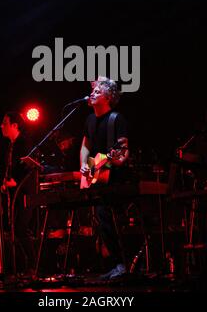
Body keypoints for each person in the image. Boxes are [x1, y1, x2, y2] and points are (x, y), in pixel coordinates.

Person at [80, 77, 129, 279]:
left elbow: (123, 153)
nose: (92, 94)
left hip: (115, 178)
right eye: (92, 91)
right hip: (96, 179)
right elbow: (85, 146)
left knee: (109, 219)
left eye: (98, 92)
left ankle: (121, 264)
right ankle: (114, 265)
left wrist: (109, 160)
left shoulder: (116, 119)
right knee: (99, 221)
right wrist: (84, 164)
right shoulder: (90, 120)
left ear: (108, 97)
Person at [0, 111, 37, 277]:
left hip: (25, 192)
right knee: (15, 228)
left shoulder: (24, 143)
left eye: (5, 123)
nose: (2, 126)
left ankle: (33, 265)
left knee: (21, 227)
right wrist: (5, 181)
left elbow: (28, 167)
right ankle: (23, 266)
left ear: (15, 125)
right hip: (15, 193)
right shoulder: (12, 145)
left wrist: (14, 180)